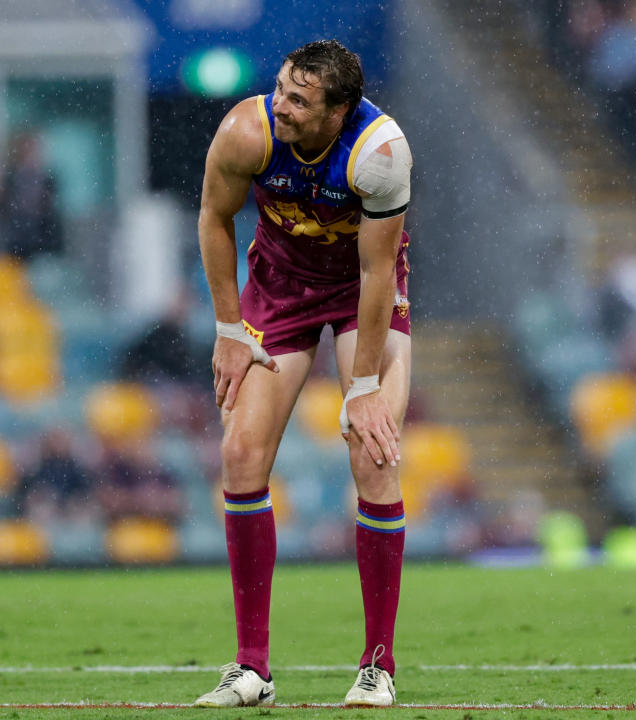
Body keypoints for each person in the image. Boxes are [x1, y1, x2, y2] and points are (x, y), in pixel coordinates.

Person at [193, 40, 413, 708]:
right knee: (239, 455)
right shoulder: (245, 131)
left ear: (338, 111)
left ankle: (378, 666)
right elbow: (214, 217)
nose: (280, 106)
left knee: (373, 455)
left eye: (298, 100)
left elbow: (377, 273)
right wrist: (230, 330)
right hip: (278, 291)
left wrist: (366, 385)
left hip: (360, 296)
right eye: (281, 89)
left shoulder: (379, 153)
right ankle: (252, 670)